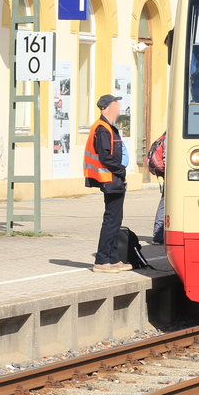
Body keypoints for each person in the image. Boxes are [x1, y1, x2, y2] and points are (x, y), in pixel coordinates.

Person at [84, 94, 128, 273]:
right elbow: (105, 157)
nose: (119, 107)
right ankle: (102, 261)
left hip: (114, 178)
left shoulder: (109, 127)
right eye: (116, 103)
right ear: (107, 107)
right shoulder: (102, 128)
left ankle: (113, 258)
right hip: (109, 178)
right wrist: (120, 170)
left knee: (116, 220)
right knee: (111, 220)